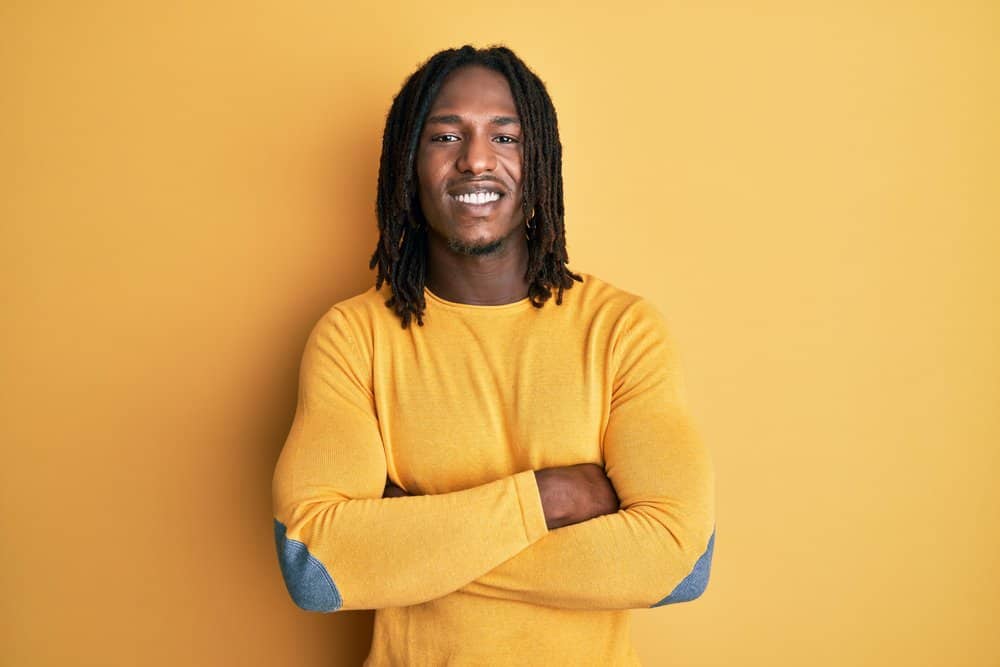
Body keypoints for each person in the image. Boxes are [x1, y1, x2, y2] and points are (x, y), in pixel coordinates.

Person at [271, 44, 716, 666]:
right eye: (446, 135)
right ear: (408, 162)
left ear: (538, 162)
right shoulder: (354, 337)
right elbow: (316, 567)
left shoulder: (621, 330)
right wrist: (550, 499)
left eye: (505, 138)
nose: (476, 160)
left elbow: (681, 561)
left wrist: (415, 542)